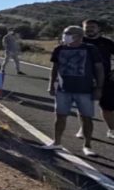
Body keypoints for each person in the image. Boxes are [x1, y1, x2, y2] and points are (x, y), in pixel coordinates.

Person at [43, 26, 104, 157]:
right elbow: (55, 68)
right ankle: (57, 142)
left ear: (78, 36)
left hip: (84, 89)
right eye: (65, 33)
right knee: (60, 116)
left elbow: (99, 69)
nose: (65, 36)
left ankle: (87, 146)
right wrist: (51, 85)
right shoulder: (59, 49)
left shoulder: (90, 49)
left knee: (86, 118)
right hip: (63, 89)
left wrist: (99, 88)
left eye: (68, 34)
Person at [82, 19, 114, 139]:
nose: (90, 29)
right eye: (87, 27)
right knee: (84, 107)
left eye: (93, 27)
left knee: (108, 107)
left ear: (98, 29)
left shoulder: (107, 42)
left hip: (106, 79)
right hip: (84, 79)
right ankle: (84, 129)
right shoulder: (79, 42)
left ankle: (112, 130)